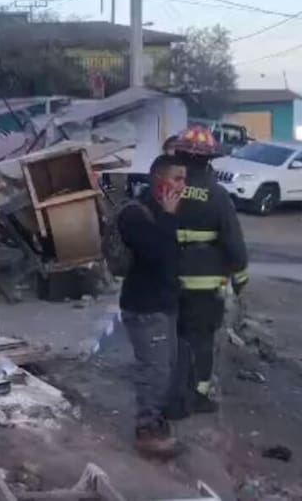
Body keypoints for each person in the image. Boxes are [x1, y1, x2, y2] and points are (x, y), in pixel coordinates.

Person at [168, 125, 249, 417]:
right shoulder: (218, 196)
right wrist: (240, 278)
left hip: (166, 281)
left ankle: (169, 393)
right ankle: (196, 395)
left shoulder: (163, 190)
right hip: (204, 285)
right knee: (200, 339)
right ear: (209, 160)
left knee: (170, 337)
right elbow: (234, 246)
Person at [117, 154, 186, 457]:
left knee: (166, 366)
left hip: (163, 304)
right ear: (159, 180)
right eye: (177, 179)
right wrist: (169, 217)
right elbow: (158, 256)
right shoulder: (137, 214)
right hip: (145, 307)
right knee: (154, 370)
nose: (182, 186)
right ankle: (147, 431)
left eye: (184, 179)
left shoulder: (163, 211)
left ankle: (157, 421)